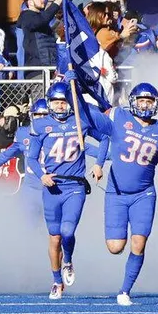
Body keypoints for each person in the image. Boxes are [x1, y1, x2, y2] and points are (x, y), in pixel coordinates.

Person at [88, 83, 158, 306]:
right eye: (141, 100)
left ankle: (124, 290)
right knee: (115, 247)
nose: (145, 105)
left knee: (139, 243)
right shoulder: (118, 117)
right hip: (116, 193)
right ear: (132, 102)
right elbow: (93, 122)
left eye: (149, 101)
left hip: (144, 194)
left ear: (156, 104)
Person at [25, 82, 110, 300]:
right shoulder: (41, 125)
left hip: (75, 185)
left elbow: (105, 139)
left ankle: (68, 260)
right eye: (56, 102)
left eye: (64, 102)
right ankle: (56, 280)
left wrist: (99, 163)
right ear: (50, 103)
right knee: (54, 238)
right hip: (52, 186)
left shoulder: (79, 122)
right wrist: (41, 175)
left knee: (67, 231)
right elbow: (32, 158)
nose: (60, 106)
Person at [0, 99, 50, 222]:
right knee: (29, 225)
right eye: (38, 115)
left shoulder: (58, 132)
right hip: (30, 187)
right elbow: (4, 153)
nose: (41, 118)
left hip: (52, 185)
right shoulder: (23, 134)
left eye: (45, 115)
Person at [18, 0, 78, 78]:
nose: (43, 0)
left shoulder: (41, 17)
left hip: (50, 69)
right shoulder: (26, 16)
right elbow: (42, 20)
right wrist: (57, 1)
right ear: (30, 2)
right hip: (37, 72)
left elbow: (51, 22)